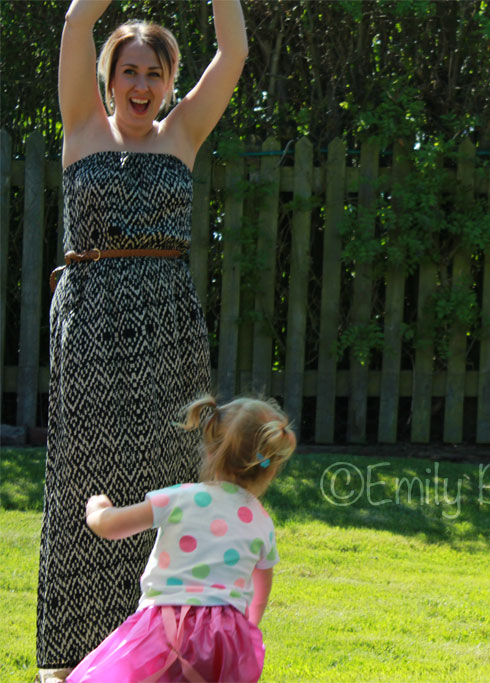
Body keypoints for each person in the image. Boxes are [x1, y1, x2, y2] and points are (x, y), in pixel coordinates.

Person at [37, 2, 248, 681]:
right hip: (91, 322)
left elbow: (234, 53)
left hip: (167, 325)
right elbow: (76, 23)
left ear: (169, 82)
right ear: (108, 78)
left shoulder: (182, 132)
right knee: (86, 474)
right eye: (129, 71)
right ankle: (74, 655)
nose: (141, 84)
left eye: (154, 73)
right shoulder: (82, 126)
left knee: (171, 474)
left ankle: (166, 648)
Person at [66, 395, 296, 683]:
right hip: (225, 637)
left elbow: (111, 527)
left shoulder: (179, 498)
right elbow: (260, 596)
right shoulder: (261, 521)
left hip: (165, 627)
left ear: (210, 450)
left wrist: (97, 510)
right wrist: (243, 629)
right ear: (270, 468)